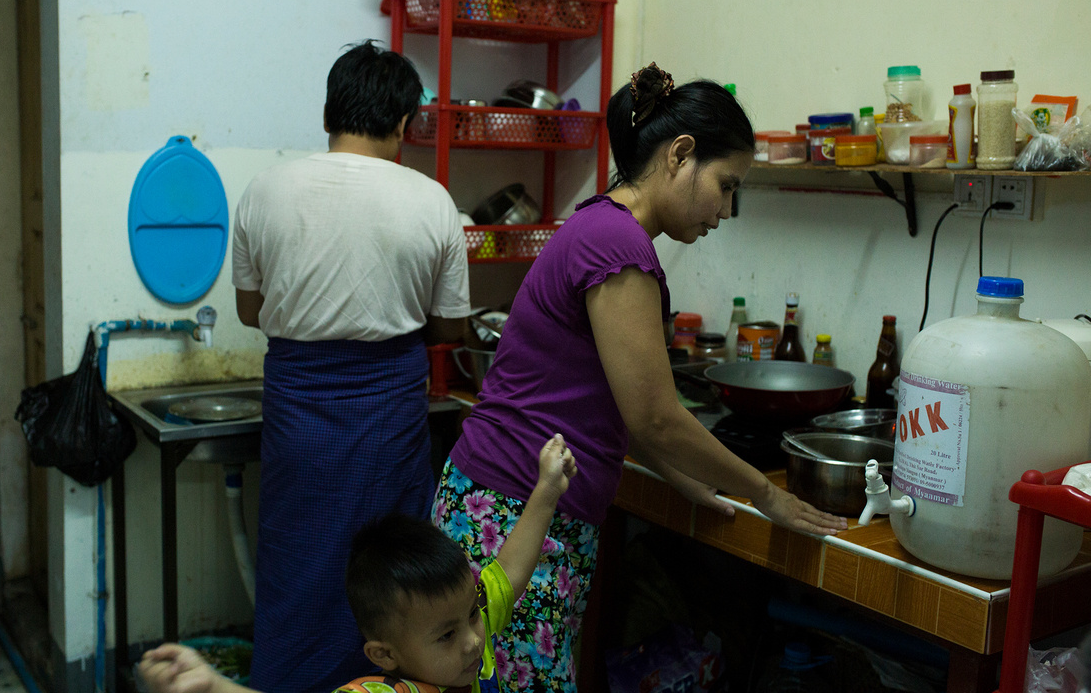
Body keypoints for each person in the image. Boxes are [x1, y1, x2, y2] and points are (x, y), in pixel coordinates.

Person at [431, 63, 849, 692]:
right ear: (682, 155)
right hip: (515, 511)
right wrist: (765, 493)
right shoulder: (618, 246)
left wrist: (688, 480)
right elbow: (655, 414)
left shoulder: (602, 224)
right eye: (727, 185)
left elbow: (626, 407)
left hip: (510, 501)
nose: (727, 210)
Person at [231, 40, 470, 691]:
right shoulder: (432, 202)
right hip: (387, 417)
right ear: (404, 123)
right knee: (392, 578)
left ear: (330, 113)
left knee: (297, 567)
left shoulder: (263, 190)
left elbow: (251, 311)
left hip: (298, 418)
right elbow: (451, 326)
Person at [137, 435, 578, 693]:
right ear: (383, 655)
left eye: (470, 618)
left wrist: (547, 490)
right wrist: (216, 686)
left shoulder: (465, 639)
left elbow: (510, 573)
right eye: (446, 635)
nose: (472, 641)